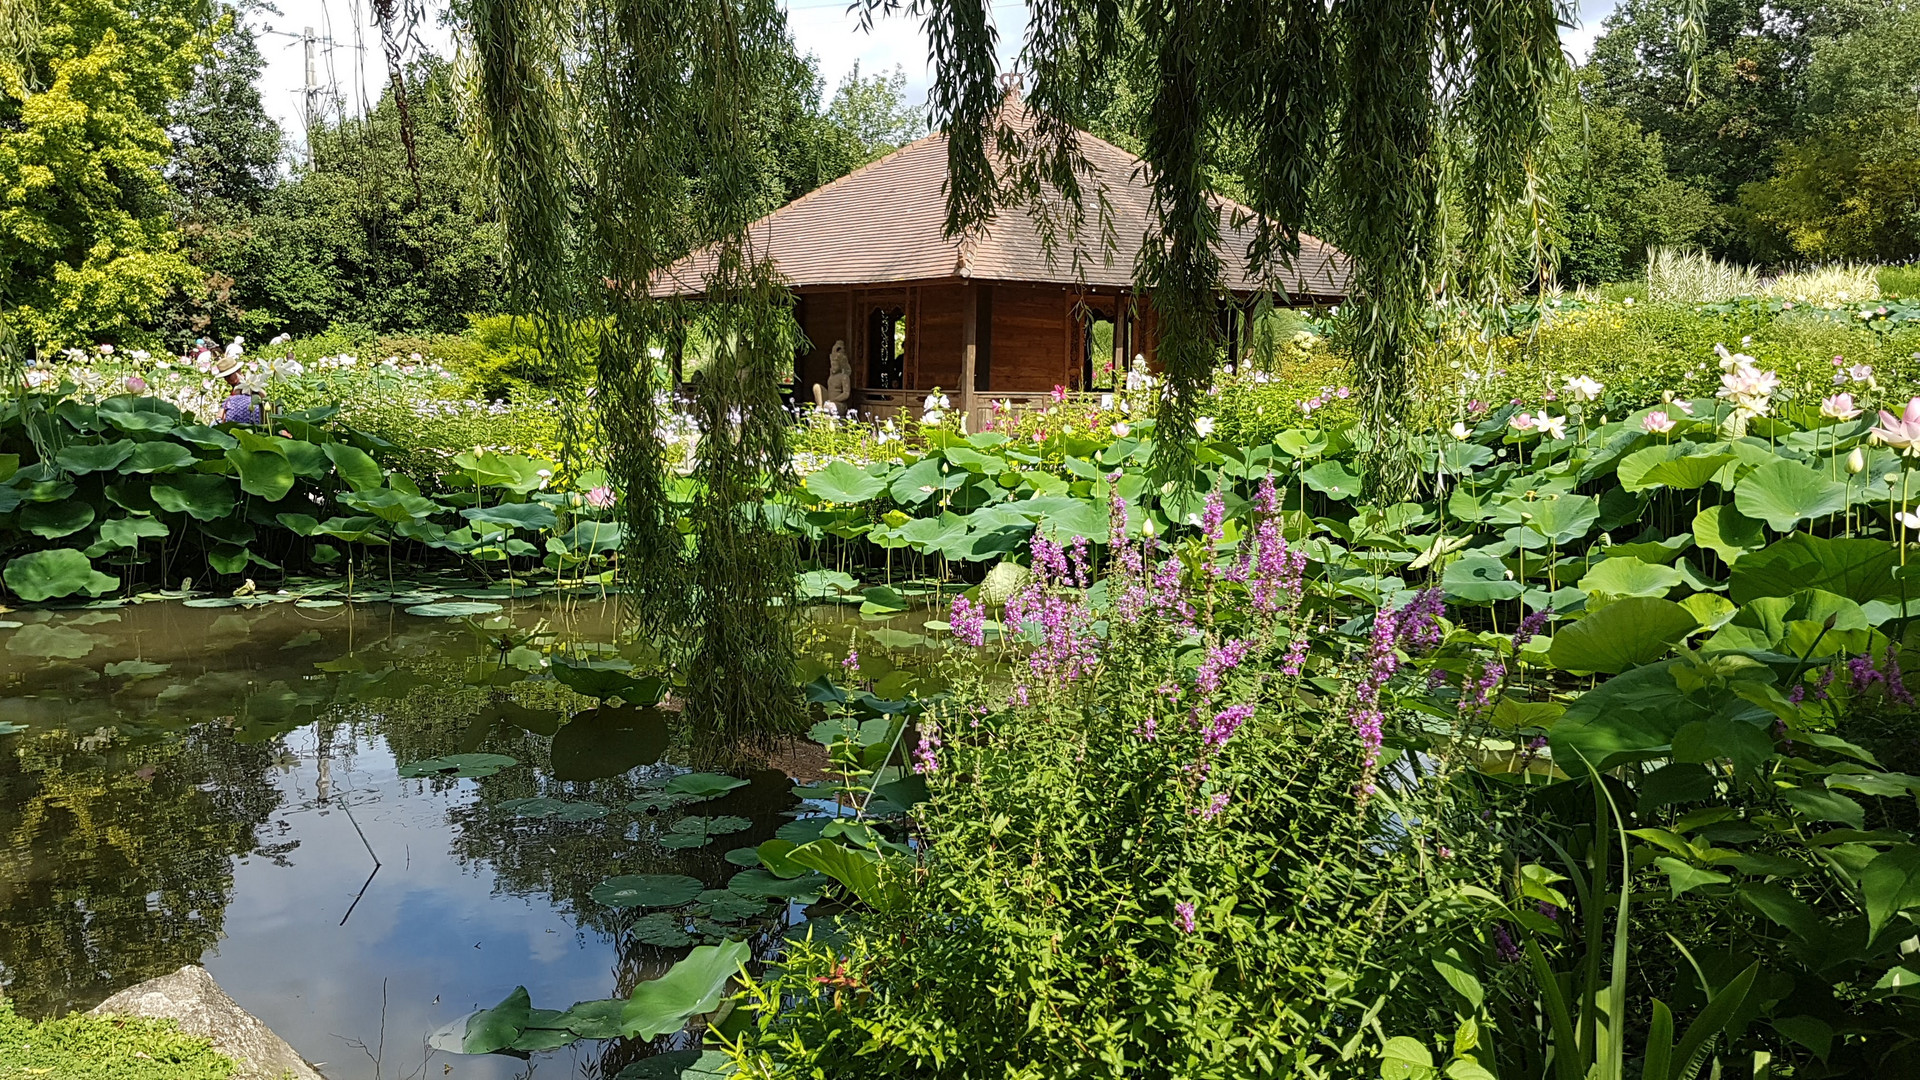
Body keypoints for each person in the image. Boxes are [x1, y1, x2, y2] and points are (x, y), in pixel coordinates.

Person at [212, 356, 264, 424]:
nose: (226, 379)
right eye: (225, 377)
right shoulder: (233, 391)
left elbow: (264, 396)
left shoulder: (251, 384)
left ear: (238, 371)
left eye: (228, 376)